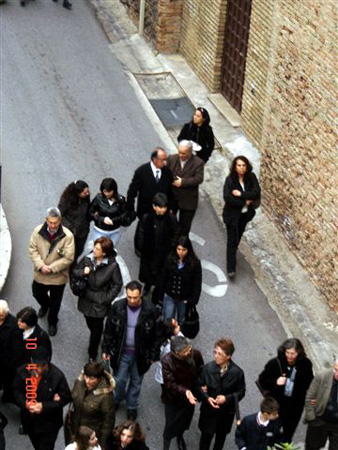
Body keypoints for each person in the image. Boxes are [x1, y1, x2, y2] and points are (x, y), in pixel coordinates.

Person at [102, 281, 159, 421]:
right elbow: (109, 329)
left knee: (136, 381)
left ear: (141, 295)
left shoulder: (150, 310)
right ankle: (116, 399)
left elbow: (156, 335)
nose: (132, 300)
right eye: (129, 297)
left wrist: (153, 354)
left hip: (141, 354)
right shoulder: (118, 307)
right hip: (122, 352)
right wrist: (106, 348)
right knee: (119, 380)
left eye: (135, 297)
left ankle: (132, 406)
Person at [73, 237, 122, 361]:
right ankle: (97, 339)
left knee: (96, 329)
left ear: (104, 252)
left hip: (100, 302)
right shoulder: (87, 260)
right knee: (89, 320)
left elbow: (117, 284)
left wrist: (106, 299)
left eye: (98, 249)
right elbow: (75, 272)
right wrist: (83, 272)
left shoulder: (112, 266)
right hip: (86, 298)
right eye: (95, 247)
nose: (94, 250)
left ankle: (92, 353)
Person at [13, 347, 71, 450]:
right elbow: (16, 391)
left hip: (48, 425)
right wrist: (25, 403)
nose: (39, 369)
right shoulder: (23, 372)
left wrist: (44, 406)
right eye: (37, 366)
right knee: (36, 444)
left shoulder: (57, 376)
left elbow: (66, 397)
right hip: (29, 421)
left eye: (43, 365)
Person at [29, 206, 75, 336]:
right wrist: (41, 265)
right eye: (50, 222)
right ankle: (45, 305)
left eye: (55, 222)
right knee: (37, 293)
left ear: (60, 220)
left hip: (58, 276)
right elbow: (33, 250)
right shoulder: (37, 231)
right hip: (41, 272)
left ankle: (53, 321)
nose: (53, 225)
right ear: (46, 220)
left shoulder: (68, 236)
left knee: (56, 302)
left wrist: (51, 268)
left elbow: (68, 257)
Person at [258, 337, 313, 443]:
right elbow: (262, 380)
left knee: (288, 436)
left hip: (295, 408)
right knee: (270, 433)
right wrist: (276, 382)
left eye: (293, 353)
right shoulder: (275, 363)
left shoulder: (305, 364)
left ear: (299, 353)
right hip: (276, 406)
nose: (289, 356)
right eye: (287, 352)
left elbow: (310, 382)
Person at [197, 338, 246, 450]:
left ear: (228, 356)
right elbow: (198, 386)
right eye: (215, 352)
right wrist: (206, 397)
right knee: (205, 439)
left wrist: (226, 398)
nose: (216, 356)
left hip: (225, 414)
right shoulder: (207, 368)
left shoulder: (237, 373)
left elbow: (241, 392)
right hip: (208, 412)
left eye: (220, 354)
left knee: (220, 440)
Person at [126, 148, 173, 255]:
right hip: (145, 209)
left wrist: (171, 208)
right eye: (162, 160)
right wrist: (130, 208)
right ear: (154, 159)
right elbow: (132, 191)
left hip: (161, 209)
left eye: (165, 160)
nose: (165, 162)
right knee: (142, 230)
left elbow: (171, 192)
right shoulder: (142, 171)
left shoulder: (167, 173)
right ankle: (139, 248)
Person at [162, 336, 204, 450]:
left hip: (189, 398)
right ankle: (166, 445)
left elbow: (201, 372)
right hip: (173, 399)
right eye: (184, 351)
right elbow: (170, 384)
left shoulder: (196, 354)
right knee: (170, 425)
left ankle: (180, 437)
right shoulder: (167, 361)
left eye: (189, 348)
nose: (188, 352)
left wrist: (202, 386)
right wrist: (185, 391)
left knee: (184, 422)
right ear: (176, 353)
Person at [3, 306, 52, 404]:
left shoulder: (41, 336)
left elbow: (46, 355)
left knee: (22, 387)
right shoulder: (16, 328)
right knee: (9, 383)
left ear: (29, 324)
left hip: (27, 369)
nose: (18, 323)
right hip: (12, 365)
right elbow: (7, 344)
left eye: (21, 322)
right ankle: (8, 396)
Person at [222, 155, 261, 279]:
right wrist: (245, 201)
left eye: (243, 165)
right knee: (232, 240)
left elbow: (256, 192)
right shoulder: (230, 180)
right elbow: (228, 198)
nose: (241, 168)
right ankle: (231, 268)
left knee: (238, 237)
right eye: (239, 165)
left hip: (244, 215)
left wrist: (241, 194)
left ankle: (232, 254)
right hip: (232, 215)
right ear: (235, 167)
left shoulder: (251, 177)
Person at [137, 193, 179, 299]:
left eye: (164, 207)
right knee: (149, 272)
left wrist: (172, 248)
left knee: (161, 275)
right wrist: (142, 247)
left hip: (164, 253)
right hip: (149, 252)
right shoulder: (147, 218)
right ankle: (147, 285)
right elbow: (141, 233)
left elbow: (176, 233)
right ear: (154, 206)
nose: (163, 210)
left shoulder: (171, 219)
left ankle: (157, 291)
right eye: (160, 207)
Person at [66, 362, 115, 450]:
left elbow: (108, 423)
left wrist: (102, 445)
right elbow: (73, 395)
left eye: (92, 378)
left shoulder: (106, 397)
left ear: (99, 379)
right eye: (86, 377)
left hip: (90, 435)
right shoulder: (79, 382)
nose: (87, 381)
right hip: (74, 430)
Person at [159, 236, 202, 325]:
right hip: (170, 295)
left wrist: (193, 301)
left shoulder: (195, 264)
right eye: (178, 249)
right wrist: (160, 295)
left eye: (184, 250)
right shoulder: (170, 259)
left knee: (181, 320)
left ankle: (179, 336)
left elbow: (197, 284)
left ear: (188, 250)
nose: (181, 252)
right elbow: (164, 277)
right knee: (167, 319)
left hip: (184, 298)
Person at [167, 140, 204, 236]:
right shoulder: (171, 158)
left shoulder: (198, 163)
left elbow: (199, 179)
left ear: (190, 152)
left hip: (188, 201)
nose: (180, 155)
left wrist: (182, 182)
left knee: (184, 228)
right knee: (168, 224)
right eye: (179, 152)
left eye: (183, 153)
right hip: (172, 199)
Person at [304, 359, 338, 450]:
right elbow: (310, 397)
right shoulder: (322, 376)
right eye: (336, 369)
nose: (337, 373)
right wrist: (311, 418)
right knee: (312, 446)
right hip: (320, 420)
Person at [89, 178, 132, 248]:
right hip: (100, 230)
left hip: (114, 231)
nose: (107, 194)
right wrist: (102, 219)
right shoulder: (98, 198)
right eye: (105, 191)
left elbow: (125, 213)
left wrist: (113, 220)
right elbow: (90, 212)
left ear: (114, 190)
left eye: (109, 191)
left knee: (110, 250)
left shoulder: (120, 200)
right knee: (98, 249)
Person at [58, 180, 91, 262]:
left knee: (78, 251)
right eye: (84, 192)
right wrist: (71, 227)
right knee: (66, 253)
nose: (87, 193)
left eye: (87, 191)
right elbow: (60, 215)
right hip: (70, 232)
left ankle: (73, 264)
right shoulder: (66, 200)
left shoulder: (86, 198)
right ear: (77, 193)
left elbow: (88, 211)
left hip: (82, 232)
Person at [155, 318, 183, 389]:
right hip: (167, 372)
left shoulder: (164, 340)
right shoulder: (169, 347)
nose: (179, 326)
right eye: (176, 326)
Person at [0, 300, 16, 399]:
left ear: (7, 313)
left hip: (7, 360)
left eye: (1, 316)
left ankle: (7, 396)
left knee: (8, 380)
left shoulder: (14, 324)